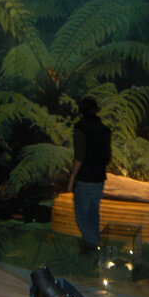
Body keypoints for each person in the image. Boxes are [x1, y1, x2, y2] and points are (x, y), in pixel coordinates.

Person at [67, 96, 112, 251]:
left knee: (82, 216)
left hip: (85, 179)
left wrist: (72, 178)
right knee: (93, 214)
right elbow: (107, 157)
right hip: (99, 179)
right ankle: (93, 244)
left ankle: (91, 245)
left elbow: (79, 156)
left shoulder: (81, 128)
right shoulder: (105, 130)